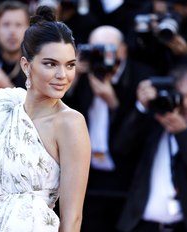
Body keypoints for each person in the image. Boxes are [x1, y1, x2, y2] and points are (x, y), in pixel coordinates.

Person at [0, 5, 91, 232]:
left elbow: (72, 220)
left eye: (70, 65)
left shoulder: (70, 123)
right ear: (26, 66)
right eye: (50, 64)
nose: (62, 75)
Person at [63, 25, 156, 232]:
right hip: (89, 175)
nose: (101, 54)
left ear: (123, 49)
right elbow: (65, 117)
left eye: (108, 48)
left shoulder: (141, 77)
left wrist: (113, 103)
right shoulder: (85, 75)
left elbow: (139, 135)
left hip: (127, 177)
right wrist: (74, 78)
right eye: (96, 48)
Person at [115, 64, 187, 232]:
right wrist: (141, 107)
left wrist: (182, 132)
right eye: (180, 96)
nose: (186, 103)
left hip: (183, 227)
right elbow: (120, 148)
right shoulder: (155, 125)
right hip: (142, 225)